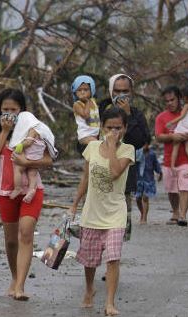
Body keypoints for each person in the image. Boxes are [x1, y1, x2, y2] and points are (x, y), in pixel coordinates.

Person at [0, 88, 55, 301]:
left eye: (13, 110)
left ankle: (21, 286)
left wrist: (28, 162)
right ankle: (14, 278)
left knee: (25, 233)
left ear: (22, 111)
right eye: (4, 110)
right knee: (11, 241)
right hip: (6, 193)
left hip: (32, 190)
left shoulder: (33, 129)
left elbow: (48, 160)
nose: (9, 114)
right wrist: (5, 133)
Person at [69, 107, 135, 316]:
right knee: (90, 260)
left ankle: (109, 303)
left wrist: (113, 146)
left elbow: (115, 172)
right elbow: (86, 178)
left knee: (113, 257)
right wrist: (74, 204)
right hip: (92, 212)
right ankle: (89, 289)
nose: (113, 131)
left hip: (115, 213)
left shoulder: (127, 150)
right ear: (101, 127)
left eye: (118, 128)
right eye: (109, 128)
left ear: (124, 128)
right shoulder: (92, 148)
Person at [98, 74, 150, 241]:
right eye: (117, 91)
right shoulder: (99, 110)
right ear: (110, 91)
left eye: (125, 91)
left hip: (124, 179)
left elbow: (140, 141)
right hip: (98, 177)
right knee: (97, 226)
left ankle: (114, 261)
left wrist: (128, 116)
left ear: (131, 92)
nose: (121, 95)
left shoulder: (137, 115)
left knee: (120, 228)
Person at [155, 85, 188, 227]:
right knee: (171, 189)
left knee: (184, 187)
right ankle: (175, 212)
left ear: (179, 98)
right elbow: (158, 136)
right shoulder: (161, 117)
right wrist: (172, 136)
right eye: (167, 101)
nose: (170, 103)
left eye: (172, 99)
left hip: (186, 159)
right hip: (169, 160)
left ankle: (182, 216)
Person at [9, 111, 57, 203]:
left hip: (29, 156)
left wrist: (20, 145)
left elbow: (28, 142)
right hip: (37, 157)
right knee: (32, 175)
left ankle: (18, 188)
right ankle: (31, 190)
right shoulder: (41, 131)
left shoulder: (32, 130)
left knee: (18, 170)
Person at [166, 85, 188, 177]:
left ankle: (173, 166)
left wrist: (171, 122)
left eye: (183, 97)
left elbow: (181, 117)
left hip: (181, 129)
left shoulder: (187, 106)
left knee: (175, 147)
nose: (182, 99)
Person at [135, 140, 162, 224]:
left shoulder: (151, 154)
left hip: (148, 179)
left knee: (145, 197)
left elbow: (156, 164)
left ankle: (144, 218)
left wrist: (160, 173)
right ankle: (142, 212)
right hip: (138, 179)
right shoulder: (136, 153)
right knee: (138, 198)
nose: (144, 146)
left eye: (146, 143)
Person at [71, 75, 100, 154]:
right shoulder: (77, 104)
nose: (82, 92)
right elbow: (86, 116)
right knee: (98, 147)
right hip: (85, 136)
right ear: (75, 92)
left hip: (95, 135)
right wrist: (87, 101)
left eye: (86, 90)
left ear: (92, 91)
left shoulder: (93, 101)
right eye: (79, 90)